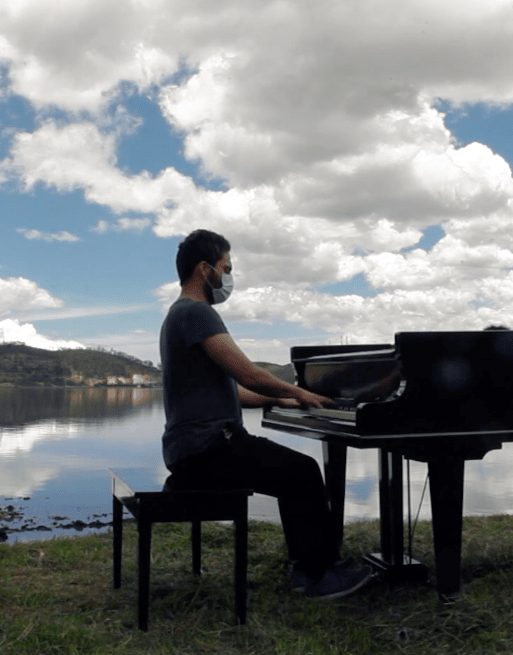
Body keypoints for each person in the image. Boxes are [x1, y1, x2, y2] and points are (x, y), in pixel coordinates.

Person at [159, 229, 373, 599]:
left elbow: (234, 390)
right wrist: (300, 391)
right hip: (207, 449)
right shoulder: (196, 313)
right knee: (302, 472)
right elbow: (249, 373)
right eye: (226, 268)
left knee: (293, 472)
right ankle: (317, 576)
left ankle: (313, 563)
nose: (228, 277)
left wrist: (279, 402)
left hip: (193, 448)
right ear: (204, 269)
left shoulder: (178, 315)